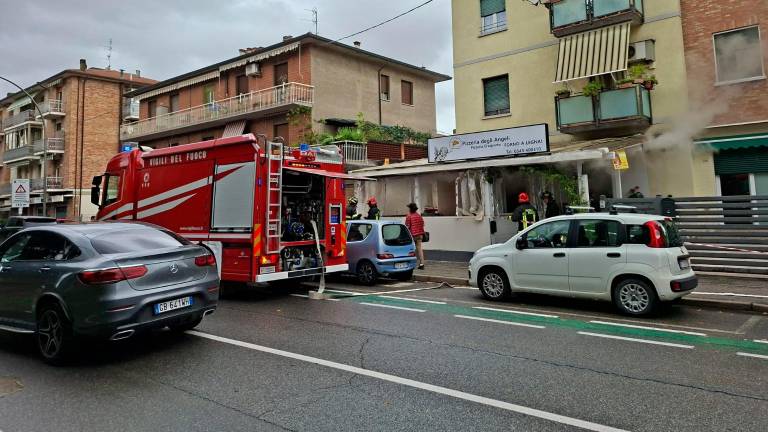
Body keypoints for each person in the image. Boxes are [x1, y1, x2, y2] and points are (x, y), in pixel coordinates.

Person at [405, 203, 426, 270]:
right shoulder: (419, 216)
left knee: (410, 249)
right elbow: (423, 224)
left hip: (413, 235)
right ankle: (422, 263)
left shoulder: (409, 216)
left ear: (410, 209)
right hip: (420, 235)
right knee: (419, 249)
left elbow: (407, 226)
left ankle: (410, 264)